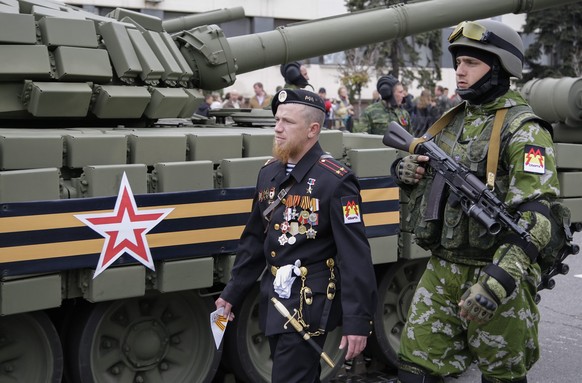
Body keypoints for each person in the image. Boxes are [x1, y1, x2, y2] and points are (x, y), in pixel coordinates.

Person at [393, 19, 559, 383]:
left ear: (499, 67)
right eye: (458, 62)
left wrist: (496, 282)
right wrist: (406, 171)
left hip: (495, 271)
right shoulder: (451, 122)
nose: (459, 72)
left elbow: (536, 217)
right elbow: (425, 176)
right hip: (442, 269)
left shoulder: (525, 129)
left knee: (501, 376)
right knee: (413, 369)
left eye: (471, 63)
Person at [216, 88, 377, 383]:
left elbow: (355, 257)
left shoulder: (336, 180)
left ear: (312, 130)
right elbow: (254, 240)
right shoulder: (269, 173)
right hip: (274, 298)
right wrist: (232, 293)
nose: (277, 128)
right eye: (277, 120)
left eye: (288, 122)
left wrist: (357, 321)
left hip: (308, 304)